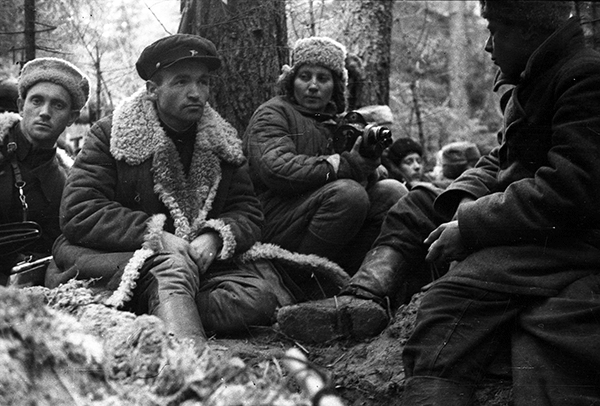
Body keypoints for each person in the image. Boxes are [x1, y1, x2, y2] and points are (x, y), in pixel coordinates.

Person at [45, 34, 328, 347]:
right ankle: (186, 361)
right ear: (153, 90)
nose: (196, 93)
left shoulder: (221, 142)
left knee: (256, 297)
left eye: (203, 82)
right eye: (181, 82)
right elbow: (79, 211)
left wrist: (215, 236)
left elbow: (247, 211)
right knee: (172, 268)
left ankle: (153, 313)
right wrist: (157, 236)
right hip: (106, 257)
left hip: (193, 263)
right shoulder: (111, 134)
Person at [400, 1, 600, 404]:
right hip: (544, 227)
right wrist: (462, 199)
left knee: (449, 304)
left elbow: (572, 188)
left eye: (495, 30)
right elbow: (506, 156)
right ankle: (365, 295)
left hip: (577, 237)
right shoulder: (539, 74)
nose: (489, 46)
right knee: (417, 205)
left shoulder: (585, 77)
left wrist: (472, 227)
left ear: (527, 31)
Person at [243, 36, 406, 276]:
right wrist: (347, 166)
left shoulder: (337, 123)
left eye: (323, 78)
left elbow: (354, 172)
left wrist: (369, 167)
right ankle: (303, 277)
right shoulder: (273, 113)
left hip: (320, 214)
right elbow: (276, 169)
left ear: (335, 86)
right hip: (272, 217)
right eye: (304, 76)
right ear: (291, 81)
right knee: (349, 194)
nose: (312, 86)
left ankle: (361, 277)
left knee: (393, 192)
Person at [0, 57, 89, 285]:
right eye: (36, 101)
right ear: (21, 106)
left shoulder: (67, 181)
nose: (45, 112)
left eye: (58, 105)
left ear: (72, 118)